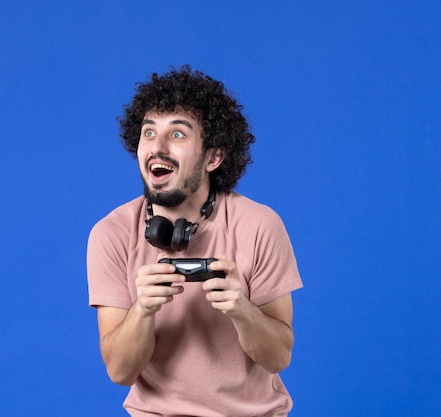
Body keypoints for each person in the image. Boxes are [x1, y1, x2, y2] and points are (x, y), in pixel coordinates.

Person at [86, 65, 303, 416]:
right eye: (149, 132)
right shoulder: (110, 234)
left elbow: (279, 357)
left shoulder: (259, 224)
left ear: (213, 157)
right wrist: (142, 309)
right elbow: (120, 372)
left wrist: (241, 309)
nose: (157, 147)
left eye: (177, 135)